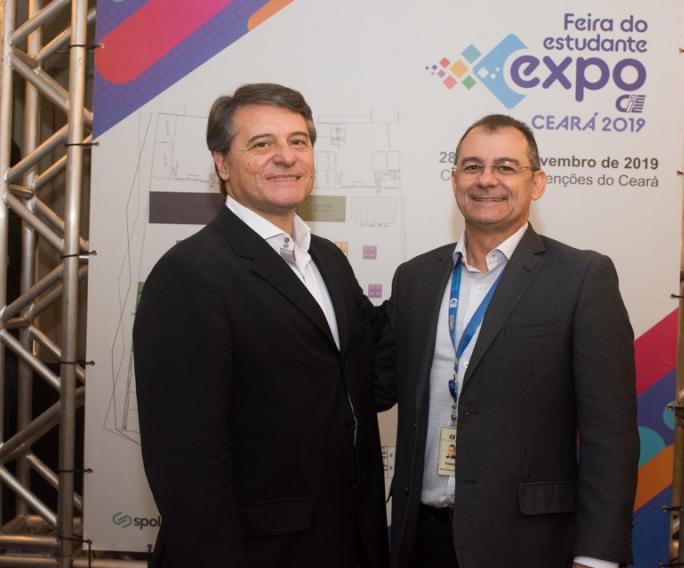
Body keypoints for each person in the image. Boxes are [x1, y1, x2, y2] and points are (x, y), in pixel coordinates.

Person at [133, 83, 388, 568]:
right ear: (222, 164)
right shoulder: (190, 273)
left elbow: (366, 373)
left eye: (298, 141)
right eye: (262, 143)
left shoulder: (328, 260)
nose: (286, 156)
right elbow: (185, 463)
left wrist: (443, 285)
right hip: (258, 553)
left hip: (345, 541)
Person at [375, 114, 639, 568]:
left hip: (528, 543)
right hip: (421, 539)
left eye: (506, 167)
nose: (487, 180)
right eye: (472, 166)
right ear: (455, 180)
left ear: (537, 183)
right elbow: (375, 382)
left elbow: (610, 433)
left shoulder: (582, 278)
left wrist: (597, 556)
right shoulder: (415, 278)